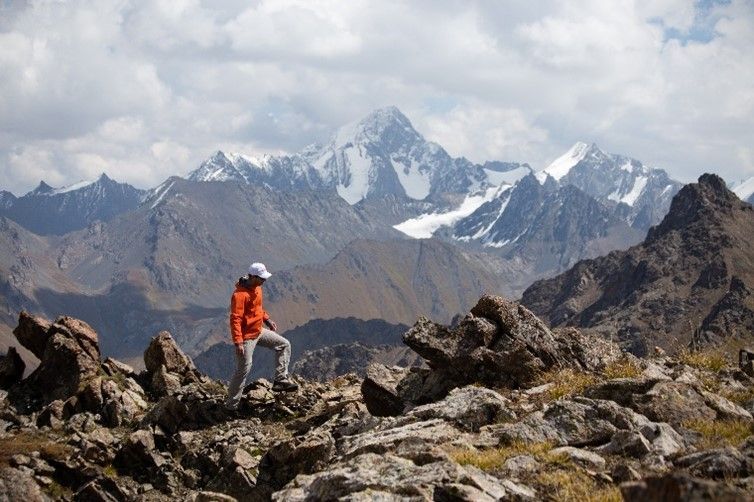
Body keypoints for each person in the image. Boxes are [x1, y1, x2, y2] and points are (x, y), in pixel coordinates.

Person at [225, 262, 297, 411]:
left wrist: (267, 319)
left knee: (284, 344)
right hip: (246, 337)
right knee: (243, 369)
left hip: (259, 330)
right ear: (252, 277)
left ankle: (280, 380)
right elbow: (235, 319)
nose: (264, 281)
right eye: (261, 278)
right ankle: (230, 407)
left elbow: (257, 308)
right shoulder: (239, 295)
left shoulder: (257, 288)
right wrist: (238, 341)